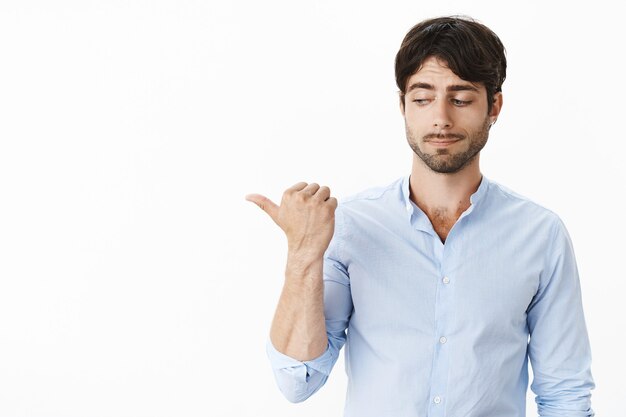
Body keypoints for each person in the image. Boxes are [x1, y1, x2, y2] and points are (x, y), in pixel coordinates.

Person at [245, 15, 594, 417]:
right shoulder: (350, 228)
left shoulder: (540, 235)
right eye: (423, 98)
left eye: (461, 98)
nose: (441, 118)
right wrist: (303, 256)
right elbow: (297, 380)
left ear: (494, 105)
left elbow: (565, 395)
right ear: (402, 105)